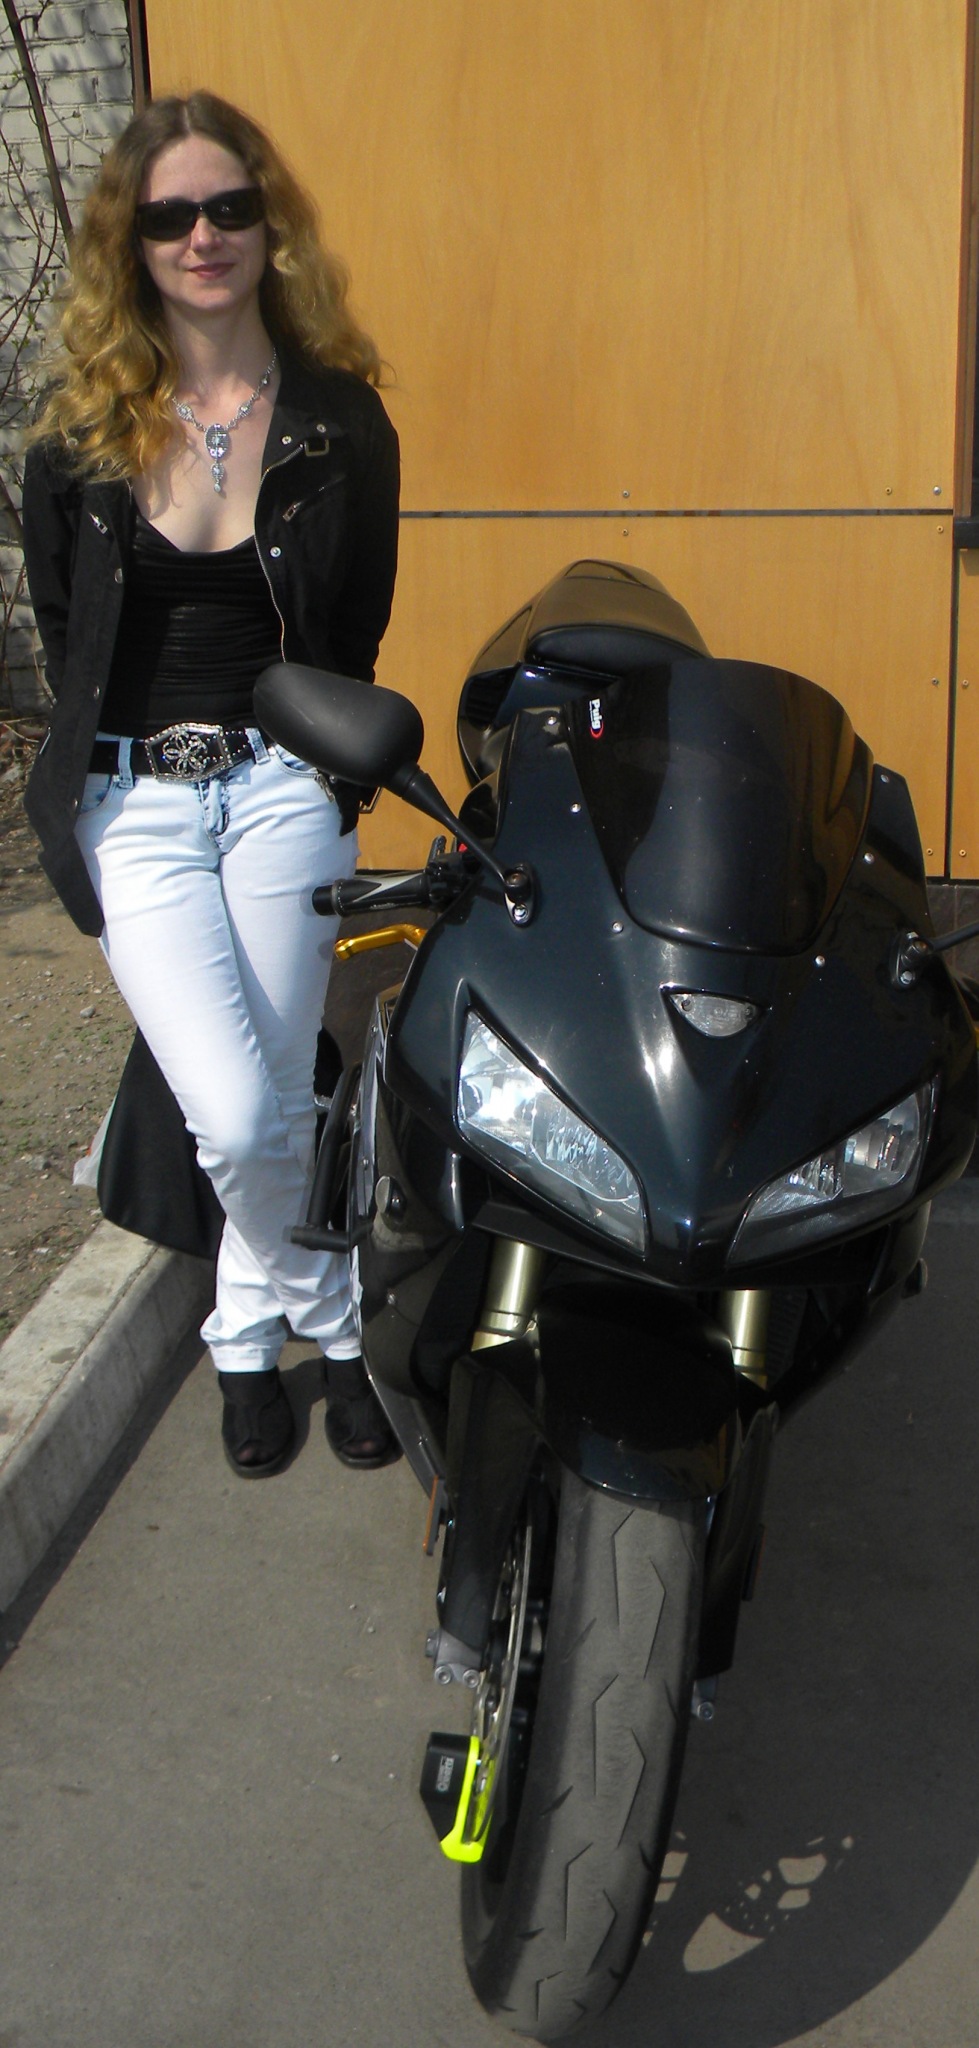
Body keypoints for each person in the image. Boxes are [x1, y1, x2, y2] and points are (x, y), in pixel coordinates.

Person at [21, 90, 401, 1479]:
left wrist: (324, 777)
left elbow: (352, 629)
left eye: (228, 207)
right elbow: (68, 634)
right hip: (135, 803)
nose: (202, 236)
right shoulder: (77, 438)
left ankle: (247, 1343)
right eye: (170, 215)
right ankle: (334, 1323)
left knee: (280, 1096)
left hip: (282, 784)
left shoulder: (342, 425)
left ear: (267, 221)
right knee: (233, 1112)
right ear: (130, 242)